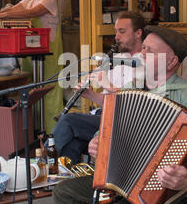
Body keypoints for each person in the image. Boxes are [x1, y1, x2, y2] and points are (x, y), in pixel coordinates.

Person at [53, 25, 187, 204]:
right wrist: (97, 143)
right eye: (144, 48)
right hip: (121, 182)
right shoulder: (131, 88)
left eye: (151, 51)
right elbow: (108, 128)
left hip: (171, 195)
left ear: (172, 62)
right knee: (64, 193)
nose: (143, 53)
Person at [50, 11, 146, 164]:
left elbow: (131, 101)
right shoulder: (118, 59)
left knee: (68, 121)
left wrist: (106, 83)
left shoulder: (145, 63)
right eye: (116, 31)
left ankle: (48, 159)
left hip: (125, 122)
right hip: (106, 114)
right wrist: (89, 94)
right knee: (72, 143)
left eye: (122, 31)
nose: (116, 37)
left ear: (138, 33)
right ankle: (71, 181)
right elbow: (109, 100)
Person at [0, 0, 62, 133]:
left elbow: (31, 13)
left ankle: (51, 131)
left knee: (48, 89)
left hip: (48, 52)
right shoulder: (28, 0)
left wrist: (1, 16)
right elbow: (15, 10)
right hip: (29, 52)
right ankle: (34, 130)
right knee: (31, 89)